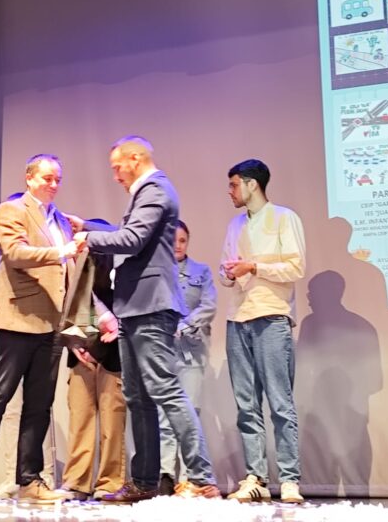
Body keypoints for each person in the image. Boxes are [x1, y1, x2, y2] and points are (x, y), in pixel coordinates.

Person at [0, 154, 111, 504]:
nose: (53, 185)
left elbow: (70, 277)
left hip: (51, 326)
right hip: (17, 320)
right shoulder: (11, 211)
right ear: (29, 178)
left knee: (39, 405)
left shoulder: (60, 220)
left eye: (57, 179)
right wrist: (60, 251)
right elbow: (15, 253)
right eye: (47, 178)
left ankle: (30, 480)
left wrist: (89, 319)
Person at [73, 136, 219, 501]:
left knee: (165, 389)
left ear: (135, 159)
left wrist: (88, 238)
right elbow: (132, 233)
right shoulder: (148, 192)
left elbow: (134, 238)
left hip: (151, 305)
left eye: (117, 167)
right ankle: (144, 481)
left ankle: (201, 478)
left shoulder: (155, 190)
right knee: (137, 396)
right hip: (134, 306)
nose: (115, 175)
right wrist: (86, 227)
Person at [218, 159, 305, 504]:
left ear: (252, 184)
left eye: (234, 184)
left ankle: (289, 478)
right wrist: (230, 271)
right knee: (246, 404)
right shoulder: (235, 224)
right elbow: (224, 271)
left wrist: (253, 266)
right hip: (237, 317)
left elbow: (296, 266)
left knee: (280, 402)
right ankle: (255, 476)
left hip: (271, 315)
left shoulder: (284, 217)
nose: (230, 192)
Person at [0, 232, 56, 498]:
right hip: (7, 331)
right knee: (8, 407)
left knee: (38, 407)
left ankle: (40, 475)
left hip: (38, 329)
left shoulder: (39, 249)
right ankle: (12, 475)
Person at [61, 239, 126, 501]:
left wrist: (97, 347)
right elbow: (69, 313)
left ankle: (110, 483)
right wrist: (75, 344)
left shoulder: (120, 280)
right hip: (80, 356)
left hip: (112, 356)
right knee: (80, 421)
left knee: (112, 424)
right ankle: (77, 482)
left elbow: (121, 318)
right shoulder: (76, 281)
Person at [157, 220, 216, 494]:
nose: (177, 245)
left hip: (192, 350)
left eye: (182, 240)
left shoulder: (201, 272)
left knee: (190, 413)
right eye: (173, 240)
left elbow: (209, 305)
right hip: (163, 350)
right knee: (164, 415)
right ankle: (165, 474)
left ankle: (190, 477)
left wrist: (185, 324)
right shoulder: (156, 272)